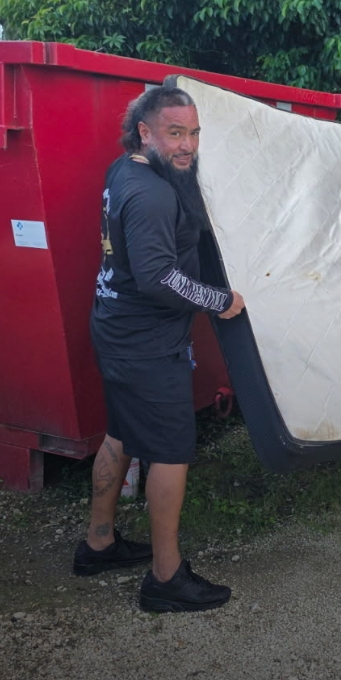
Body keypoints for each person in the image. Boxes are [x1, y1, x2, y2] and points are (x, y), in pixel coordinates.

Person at [72, 84, 247, 612]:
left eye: (193, 133)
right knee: (171, 451)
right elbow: (157, 278)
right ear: (145, 132)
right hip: (146, 343)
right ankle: (166, 578)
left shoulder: (124, 168)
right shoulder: (151, 193)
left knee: (121, 433)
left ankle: (98, 543)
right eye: (175, 133)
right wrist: (218, 299)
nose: (187, 145)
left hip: (115, 327)